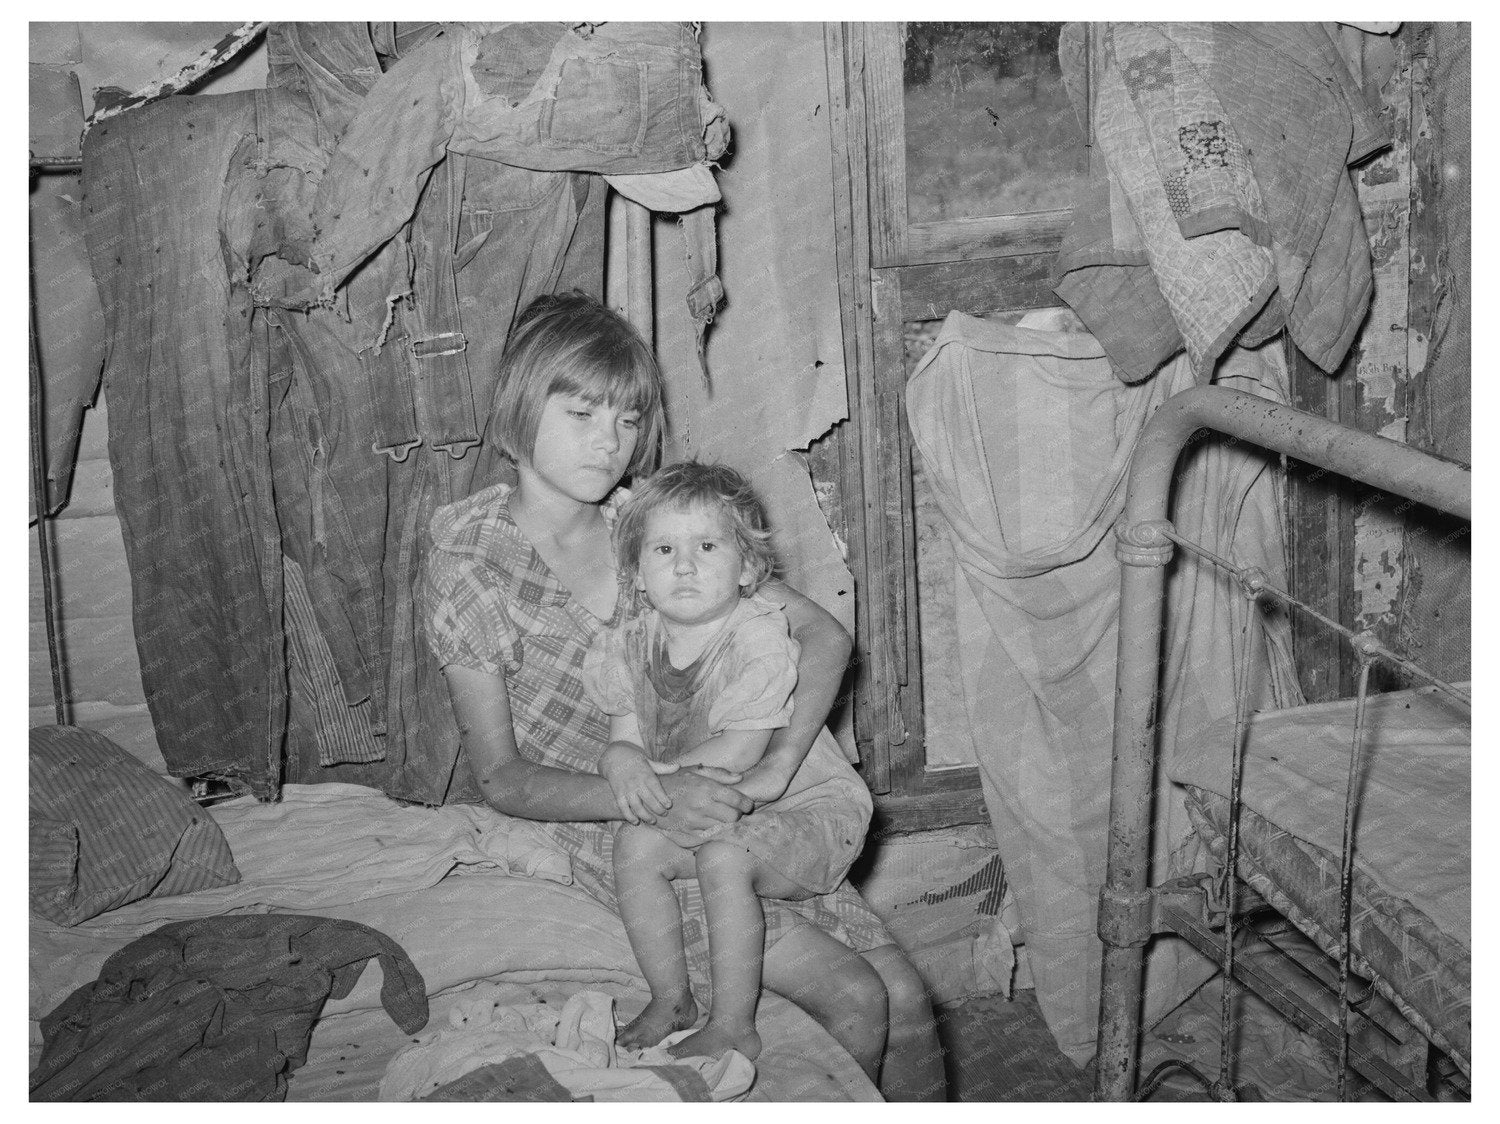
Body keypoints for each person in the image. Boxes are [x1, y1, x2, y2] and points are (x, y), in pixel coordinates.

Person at [418, 291, 944, 1099]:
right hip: (605, 820)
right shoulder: (471, 561)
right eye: (584, 413)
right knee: (857, 997)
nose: (610, 442)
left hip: (724, 792)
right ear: (521, 408)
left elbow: (825, 636)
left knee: (908, 1002)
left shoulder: (656, 519)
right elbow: (501, 777)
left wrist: (771, 770)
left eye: (627, 420)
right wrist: (655, 797)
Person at [582, 461, 874, 1062]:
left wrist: (645, 773)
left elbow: (741, 753)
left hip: (807, 808)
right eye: (663, 549)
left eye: (707, 546)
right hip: (721, 798)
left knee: (725, 856)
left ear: (747, 569)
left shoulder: (758, 636)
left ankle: (734, 1024)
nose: (683, 565)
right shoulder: (629, 643)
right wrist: (619, 760)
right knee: (633, 849)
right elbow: (625, 736)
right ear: (637, 574)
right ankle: (671, 998)